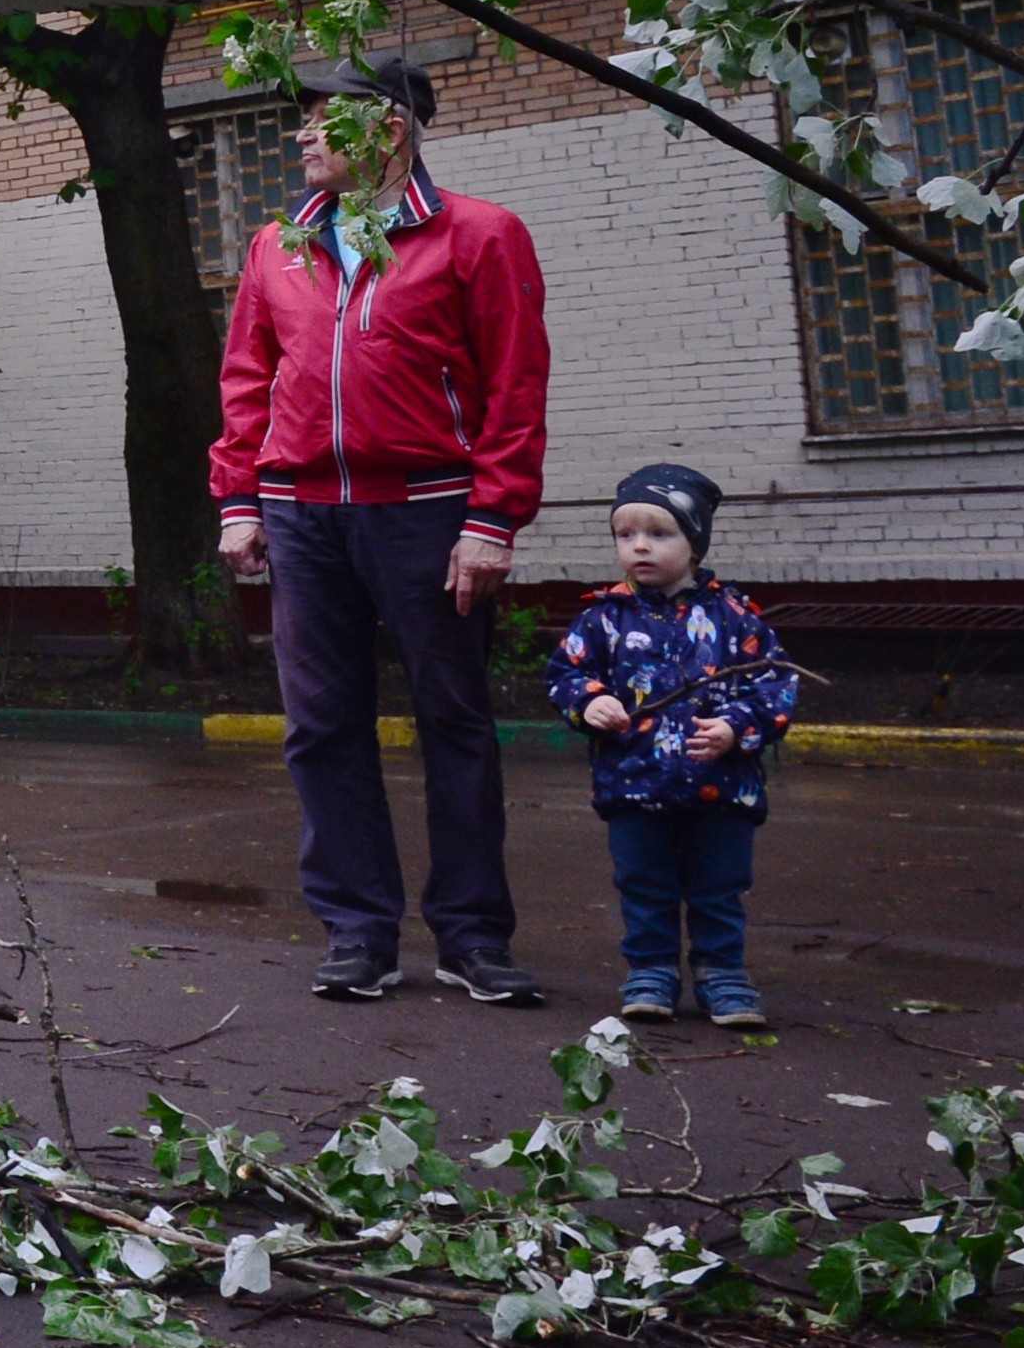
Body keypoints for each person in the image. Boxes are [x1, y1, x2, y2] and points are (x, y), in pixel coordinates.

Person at [209, 53, 553, 1005]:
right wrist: (240, 499)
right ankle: (357, 932)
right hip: (303, 518)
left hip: (432, 514)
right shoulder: (278, 244)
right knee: (321, 727)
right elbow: (247, 379)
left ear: (389, 128)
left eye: (324, 117)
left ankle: (474, 937)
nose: (303, 133)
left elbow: (515, 386)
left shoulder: (479, 235)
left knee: (455, 721)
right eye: (304, 118)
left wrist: (492, 518)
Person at [546, 465, 798, 1027]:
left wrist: (736, 725)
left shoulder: (735, 618)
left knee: (719, 887)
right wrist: (588, 702)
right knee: (643, 884)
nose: (639, 547)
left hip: (723, 789)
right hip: (634, 786)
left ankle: (724, 976)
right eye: (625, 535)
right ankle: (651, 970)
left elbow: (776, 683)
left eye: (659, 535)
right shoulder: (602, 619)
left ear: (695, 542)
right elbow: (564, 673)